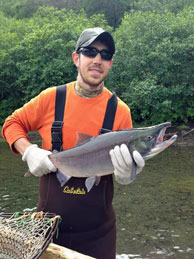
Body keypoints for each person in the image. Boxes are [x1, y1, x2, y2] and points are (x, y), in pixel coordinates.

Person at [1, 27, 145, 259]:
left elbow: (124, 168)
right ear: (76, 58)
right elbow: (11, 124)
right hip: (45, 231)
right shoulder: (51, 98)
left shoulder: (120, 111)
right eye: (90, 52)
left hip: (99, 235)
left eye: (105, 55)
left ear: (111, 64)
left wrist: (128, 175)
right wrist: (28, 151)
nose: (98, 59)